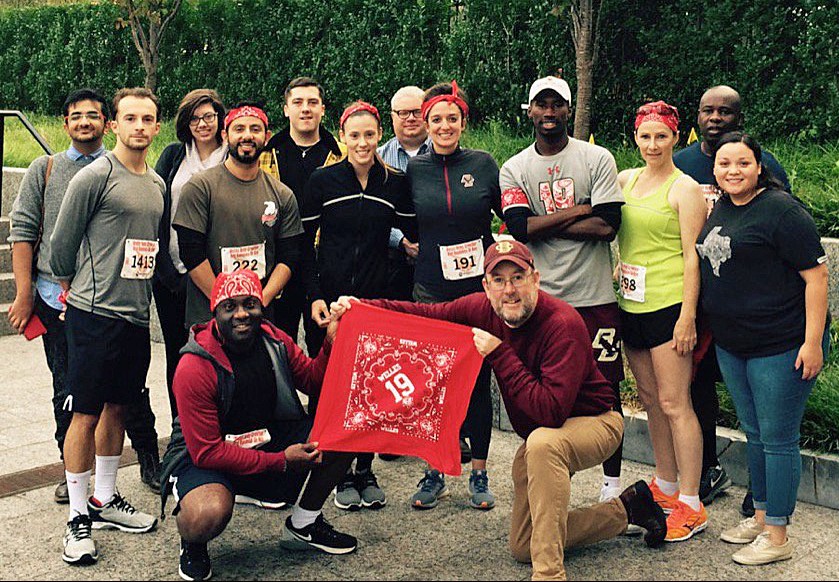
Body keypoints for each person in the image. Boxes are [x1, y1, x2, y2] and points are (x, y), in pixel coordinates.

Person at [330, 239, 667, 581]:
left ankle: (549, 574)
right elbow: (427, 315)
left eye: (518, 277)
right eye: (499, 280)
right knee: (524, 546)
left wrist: (499, 353)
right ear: (486, 286)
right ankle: (626, 509)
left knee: (542, 446)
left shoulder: (563, 324)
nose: (510, 290)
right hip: (544, 435)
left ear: (536, 279)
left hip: (596, 422)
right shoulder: (482, 309)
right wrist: (361, 308)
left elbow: (548, 412)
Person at [8, 88, 163, 500]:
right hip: (73, 305)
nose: (84, 122)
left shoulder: (150, 181)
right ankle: (74, 479)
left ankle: (140, 464)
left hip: (128, 307)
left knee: (126, 396)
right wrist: (46, 292)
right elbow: (40, 239)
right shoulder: (59, 171)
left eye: (92, 115)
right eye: (76, 116)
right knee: (74, 395)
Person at [159, 269, 357, 582]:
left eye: (250, 304)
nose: (241, 314)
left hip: (263, 437)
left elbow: (313, 380)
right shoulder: (193, 366)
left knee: (346, 429)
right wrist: (281, 462)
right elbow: (207, 452)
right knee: (206, 513)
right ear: (215, 312)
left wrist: (330, 342)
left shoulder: (274, 339)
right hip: (207, 455)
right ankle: (193, 543)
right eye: (230, 306)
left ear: (261, 307)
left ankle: (304, 524)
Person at [696, 132, 829, 565]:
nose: (733, 171)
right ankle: (760, 515)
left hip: (782, 344)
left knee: (777, 438)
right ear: (714, 170)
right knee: (755, 434)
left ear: (759, 167)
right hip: (735, 346)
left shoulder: (781, 211)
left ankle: (778, 534)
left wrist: (812, 343)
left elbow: (817, 278)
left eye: (742, 163)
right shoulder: (720, 208)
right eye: (724, 164)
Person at [49, 87, 165, 565]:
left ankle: (104, 499)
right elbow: (60, 246)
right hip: (94, 316)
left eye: (148, 119)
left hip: (136, 318)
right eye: (130, 118)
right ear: (115, 125)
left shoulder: (157, 184)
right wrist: (75, 290)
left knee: (119, 407)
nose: (139, 126)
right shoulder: (95, 176)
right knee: (86, 414)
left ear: (157, 128)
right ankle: (77, 518)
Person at [500, 75, 628, 504]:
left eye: (558, 105)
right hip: (542, 305)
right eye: (542, 104)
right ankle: (554, 484)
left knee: (605, 392)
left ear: (568, 110)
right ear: (530, 110)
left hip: (595, 301)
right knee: (545, 396)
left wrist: (545, 224)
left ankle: (612, 487)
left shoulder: (597, 158)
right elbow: (519, 228)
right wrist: (580, 209)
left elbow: (608, 225)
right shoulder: (514, 167)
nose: (549, 112)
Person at [673, 85, 792, 515]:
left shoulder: (761, 163)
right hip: (699, 299)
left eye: (726, 111)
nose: (717, 117)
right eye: (709, 110)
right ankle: (707, 468)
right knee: (698, 384)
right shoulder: (681, 163)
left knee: (759, 400)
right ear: (697, 115)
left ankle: (761, 488)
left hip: (755, 306)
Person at [300, 100, 417, 510]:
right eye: (354, 135)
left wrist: (393, 305)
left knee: (370, 387)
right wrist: (314, 295)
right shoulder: (323, 180)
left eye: (370, 135)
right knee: (329, 386)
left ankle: (363, 468)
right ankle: (332, 469)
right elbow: (303, 247)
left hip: (373, 301)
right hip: (327, 301)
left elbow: (407, 242)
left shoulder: (395, 182)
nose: (362, 143)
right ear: (343, 136)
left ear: (379, 135)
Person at [406, 81, 501, 510]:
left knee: (478, 381)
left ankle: (479, 472)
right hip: (431, 290)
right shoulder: (413, 170)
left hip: (477, 291)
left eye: (452, 119)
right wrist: (399, 243)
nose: (444, 127)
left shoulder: (483, 164)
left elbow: (510, 215)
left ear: (464, 122)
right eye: (436, 120)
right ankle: (435, 469)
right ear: (425, 124)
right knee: (435, 381)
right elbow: (397, 220)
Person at [616, 101, 708, 542]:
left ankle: (691, 502)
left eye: (661, 136)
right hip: (631, 305)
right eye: (645, 136)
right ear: (635, 137)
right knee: (651, 399)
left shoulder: (684, 188)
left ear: (675, 138)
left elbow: (694, 256)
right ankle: (666, 482)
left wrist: (688, 315)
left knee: (676, 403)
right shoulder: (625, 179)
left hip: (669, 306)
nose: (652, 144)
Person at [173, 102, 303, 330]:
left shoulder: (282, 194)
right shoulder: (200, 187)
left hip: (260, 319)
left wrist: (259, 301)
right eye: (239, 129)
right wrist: (224, 302)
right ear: (225, 135)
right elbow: (191, 252)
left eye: (255, 129)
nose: (247, 136)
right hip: (209, 317)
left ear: (267, 136)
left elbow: (289, 255)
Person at [154, 89, 227, 420]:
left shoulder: (232, 155)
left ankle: (218, 422)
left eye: (209, 116)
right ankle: (180, 426)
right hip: (174, 274)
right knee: (178, 354)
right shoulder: (173, 156)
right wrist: (167, 271)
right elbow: (158, 210)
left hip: (220, 276)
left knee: (219, 352)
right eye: (195, 118)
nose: (203, 124)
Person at [259, 77, 346, 352]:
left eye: (312, 102)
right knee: (276, 347)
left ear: (323, 109)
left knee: (324, 348)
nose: (305, 109)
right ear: (286, 109)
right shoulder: (265, 154)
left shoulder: (342, 155)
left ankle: (320, 398)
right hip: (277, 262)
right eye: (297, 102)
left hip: (323, 266)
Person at [377, 85, 429, 301]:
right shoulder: (377, 160)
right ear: (392, 117)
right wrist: (402, 241)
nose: (410, 118)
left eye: (417, 112)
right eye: (402, 113)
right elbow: (373, 213)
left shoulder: (446, 152)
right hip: (391, 260)